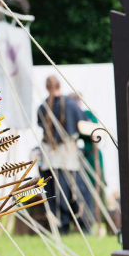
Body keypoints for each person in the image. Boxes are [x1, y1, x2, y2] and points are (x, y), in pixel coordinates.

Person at [37, 76, 92, 233]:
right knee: (72, 188)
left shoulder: (42, 107)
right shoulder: (71, 105)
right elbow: (84, 126)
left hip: (51, 156)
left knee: (55, 190)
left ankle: (63, 224)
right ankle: (74, 222)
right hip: (67, 155)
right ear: (59, 86)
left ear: (47, 88)